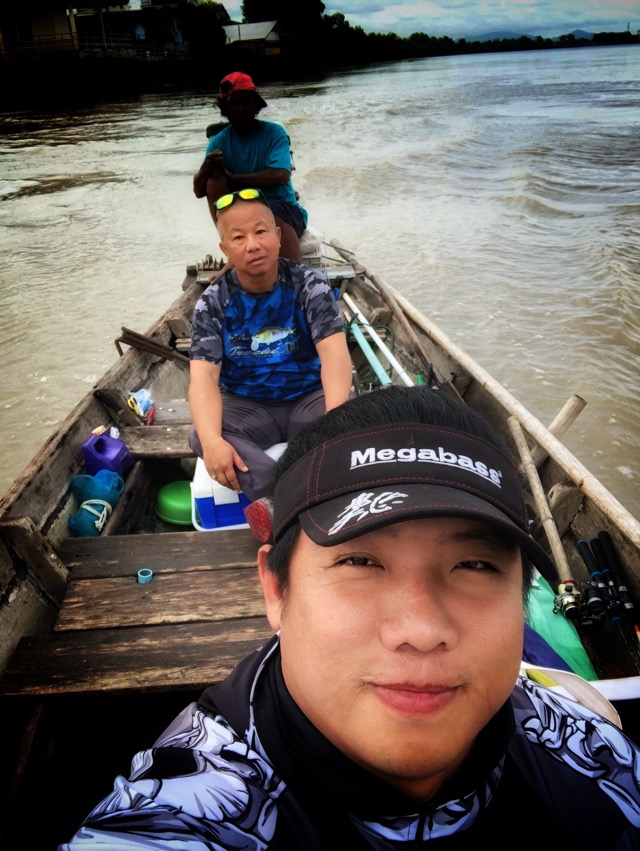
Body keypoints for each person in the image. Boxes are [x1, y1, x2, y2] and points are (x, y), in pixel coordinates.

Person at [60, 386, 640, 849]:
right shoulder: (192, 811)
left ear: (522, 592)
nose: (420, 630)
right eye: (360, 560)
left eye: (474, 564)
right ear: (276, 590)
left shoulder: (588, 751)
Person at [187, 186, 352, 503]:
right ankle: (284, 497)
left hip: (309, 401)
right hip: (249, 410)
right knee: (202, 435)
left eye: (260, 231)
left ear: (277, 235)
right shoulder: (213, 302)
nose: (253, 245)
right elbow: (203, 379)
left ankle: (284, 499)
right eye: (238, 238)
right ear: (225, 249)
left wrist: (336, 422)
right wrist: (211, 441)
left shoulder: (309, 285)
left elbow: (334, 357)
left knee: (354, 417)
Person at [193, 71, 308, 266]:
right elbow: (199, 191)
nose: (240, 109)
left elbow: (280, 175)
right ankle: (230, 246)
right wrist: (206, 167)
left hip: (283, 208)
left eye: (245, 102)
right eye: (234, 104)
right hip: (241, 215)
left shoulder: (274, 133)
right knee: (213, 181)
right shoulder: (219, 142)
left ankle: (296, 278)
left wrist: (236, 178)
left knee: (267, 211)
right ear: (226, 110)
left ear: (255, 106)